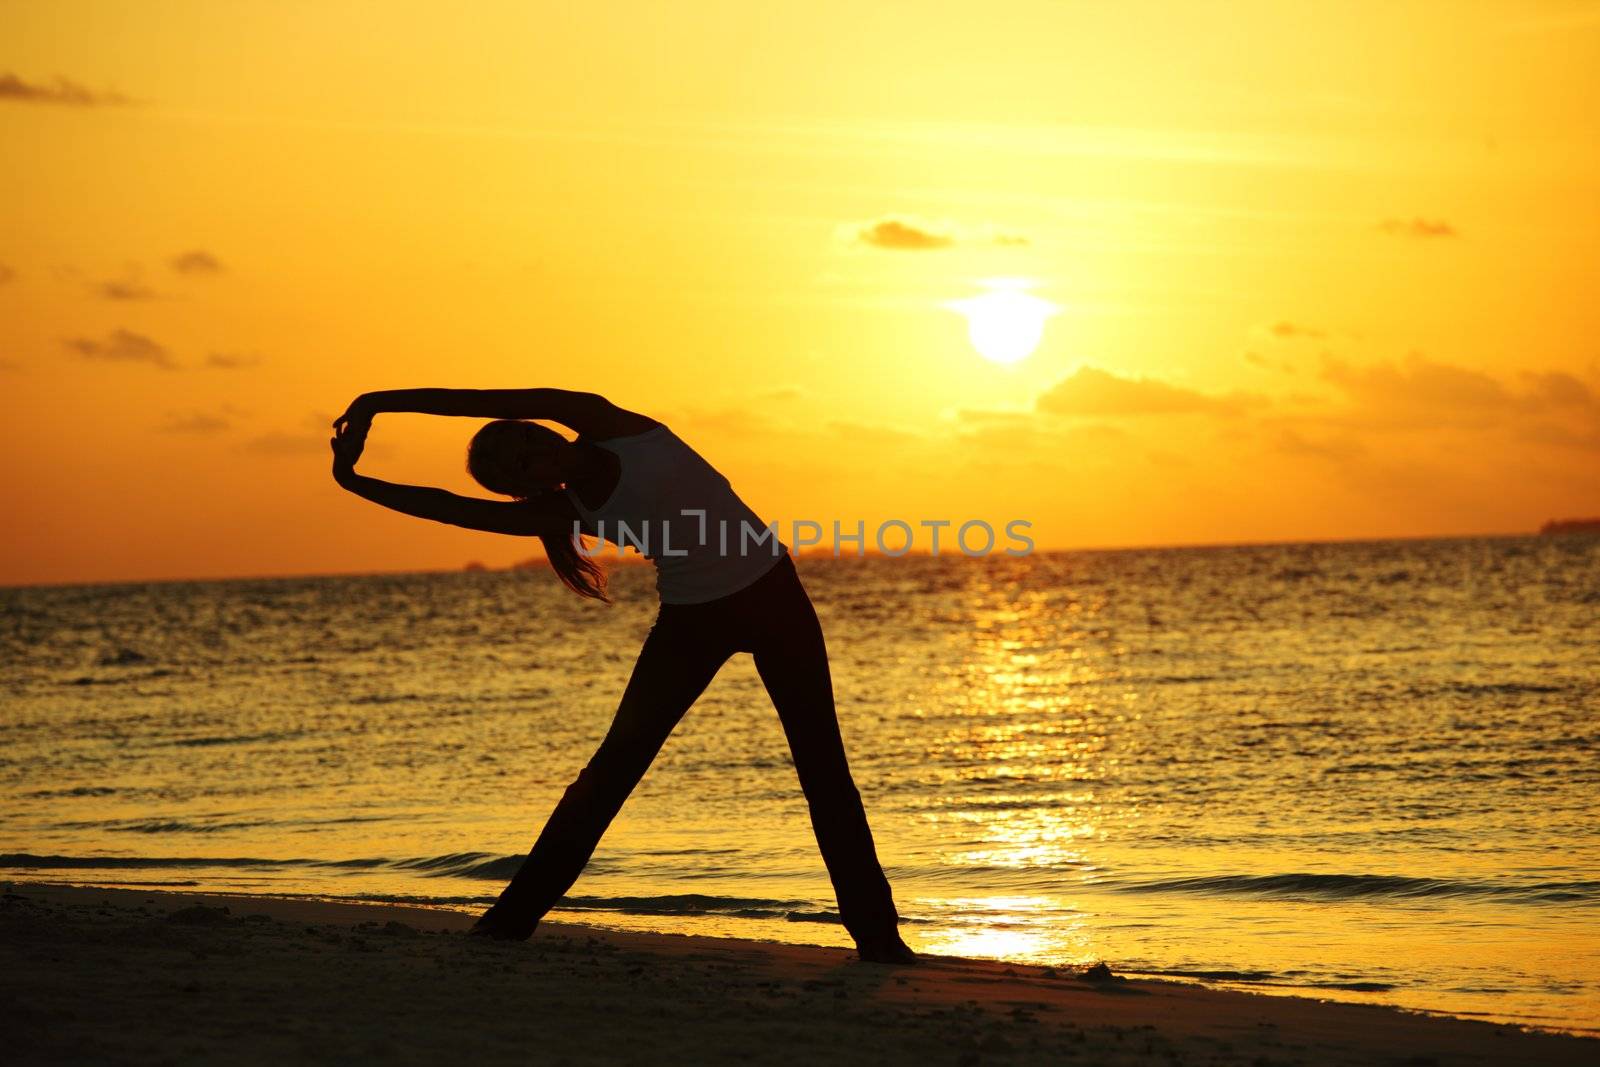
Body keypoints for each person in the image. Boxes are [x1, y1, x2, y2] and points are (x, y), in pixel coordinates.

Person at [329, 387, 917, 964]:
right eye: (520, 466)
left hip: (774, 598)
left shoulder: (608, 423)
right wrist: (354, 483)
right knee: (612, 771)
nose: (533, 450)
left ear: (543, 428)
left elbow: (481, 399)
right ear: (528, 487)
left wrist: (378, 401)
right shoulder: (566, 508)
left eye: (527, 439)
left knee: (823, 769)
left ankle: (878, 939)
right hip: (691, 621)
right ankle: (507, 926)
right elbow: (449, 507)